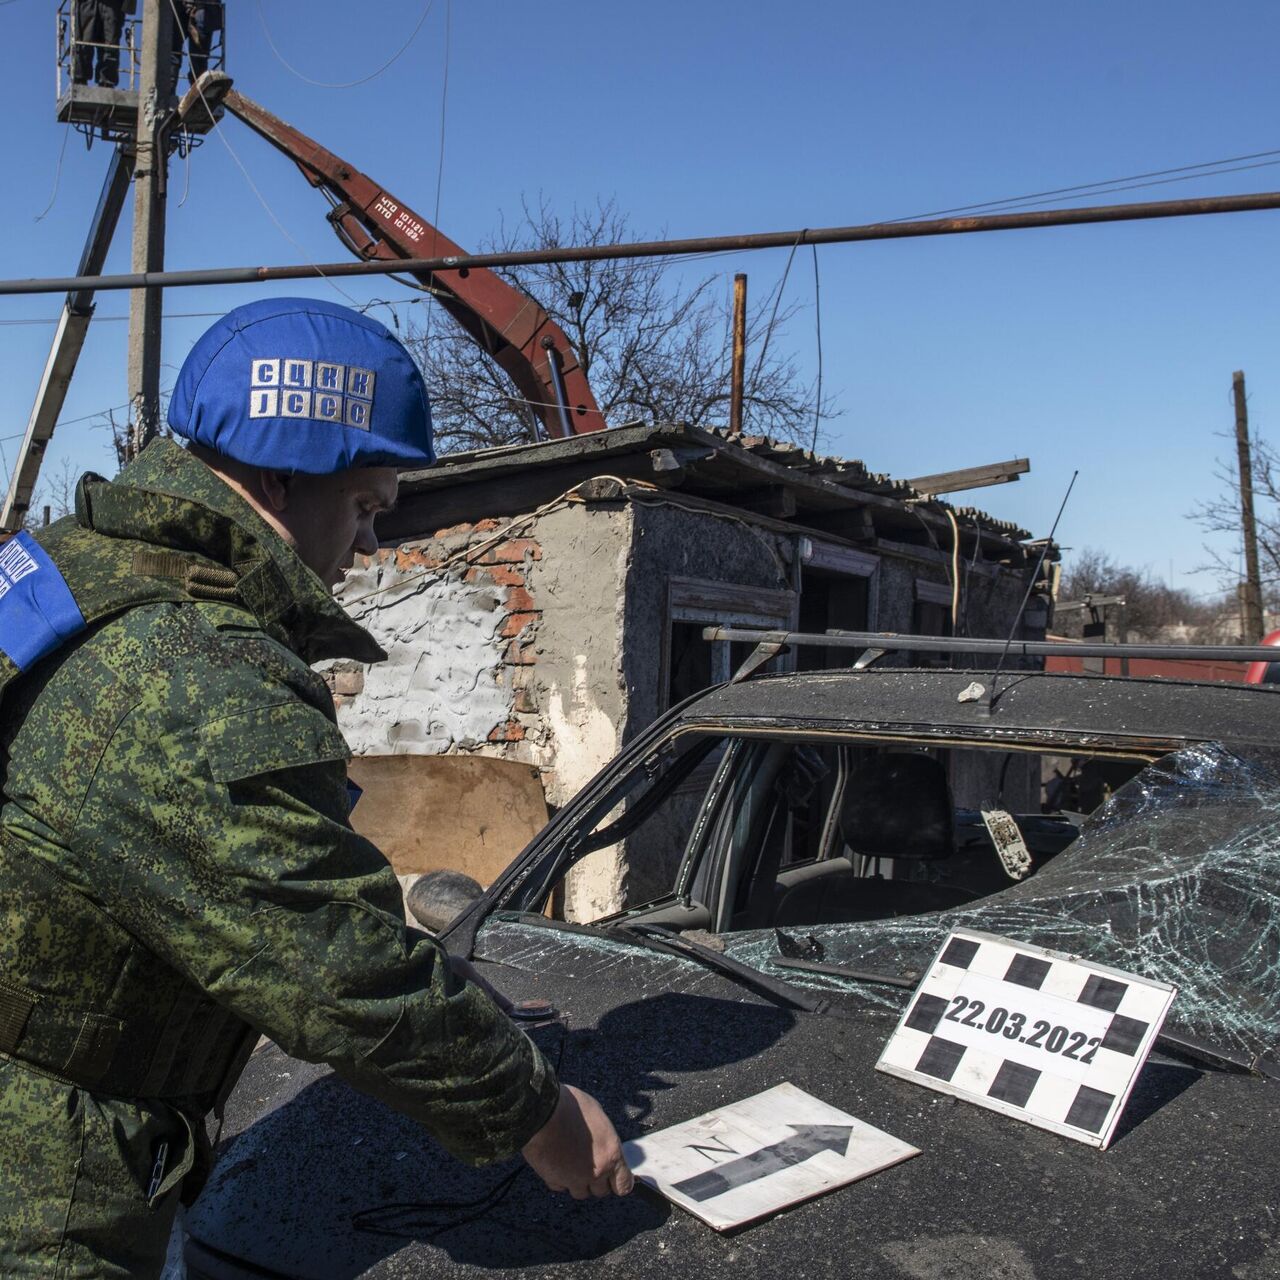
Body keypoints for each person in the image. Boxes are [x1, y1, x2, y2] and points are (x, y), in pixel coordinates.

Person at [0, 297, 631, 1278]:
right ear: (278, 478)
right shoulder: (192, 675)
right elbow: (334, 970)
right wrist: (537, 1112)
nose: (371, 546)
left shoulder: (77, 572)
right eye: (370, 506)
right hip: (41, 1185)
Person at [72, 0, 126, 87]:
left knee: (110, 44)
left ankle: (106, 80)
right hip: (87, 3)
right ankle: (80, 77)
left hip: (112, 4)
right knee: (83, 42)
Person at [170, 0, 223, 87]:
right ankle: (198, 91)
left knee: (175, 54)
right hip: (196, 9)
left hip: (201, 9)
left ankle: (198, 91)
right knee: (197, 59)